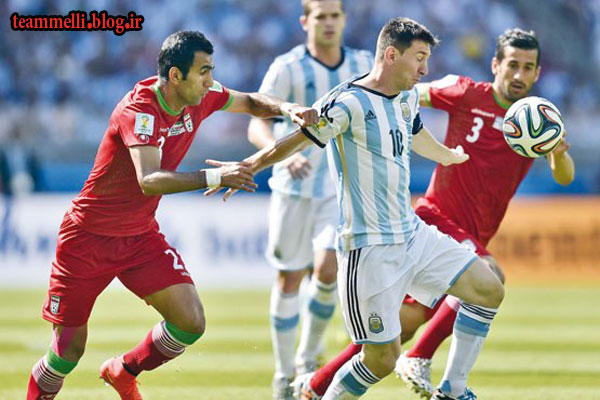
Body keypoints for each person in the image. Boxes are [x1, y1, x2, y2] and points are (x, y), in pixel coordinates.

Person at [219, 18, 507, 400]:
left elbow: (415, 133)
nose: (425, 69)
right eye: (419, 58)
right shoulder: (347, 102)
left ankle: (452, 390)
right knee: (382, 359)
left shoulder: (406, 97)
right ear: (391, 55)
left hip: (412, 234)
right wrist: (250, 165)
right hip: (369, 250)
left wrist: (447, 155)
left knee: (488, 289)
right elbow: (297, 140)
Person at [26, 30, 317, 400]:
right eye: (204, 72)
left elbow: (251, 102)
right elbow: (148, 180)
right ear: (176, 76)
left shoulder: (203, 95)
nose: (210, 81)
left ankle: (123, 370)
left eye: (211, 71)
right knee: (68, 351)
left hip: (139, 236)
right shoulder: (139, 110)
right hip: (87, 238)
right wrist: (216, 176)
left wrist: (288, 109)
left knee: (190, 322)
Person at [289, 28, 576, 400]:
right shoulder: (465, 92)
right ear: (495, 65)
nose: (519, 74)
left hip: (475, 234)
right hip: (436, 218)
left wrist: (557, 152)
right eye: (512, 65)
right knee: (490, 275)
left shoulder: (535, 120)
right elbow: (406, 91)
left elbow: (564, 176)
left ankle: (314, 386)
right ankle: (423, 362)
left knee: (399, 328)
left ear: (537, 73)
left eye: (528, 67)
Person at [246, 1, 373, 398]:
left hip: (339, 190)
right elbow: (257, 124)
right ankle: (283, 375)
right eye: (321, 16)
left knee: (328, 268)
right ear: (306, 21)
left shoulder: (364, 64)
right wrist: (284, 154)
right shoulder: (287, 67)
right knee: (288, 278)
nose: (329, 22)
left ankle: (307, 360)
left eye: (335, 15)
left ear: (344, 19)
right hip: (292, 188)